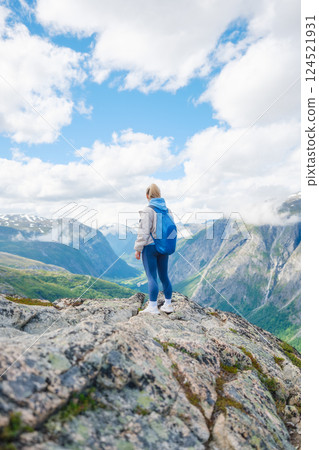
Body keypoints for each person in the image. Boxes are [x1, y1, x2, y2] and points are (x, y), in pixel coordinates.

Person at [134, 184, 174, 314]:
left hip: (150, 247)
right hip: (164, 246)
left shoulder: (148, 210)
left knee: (151, 276)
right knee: (164, 276)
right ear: (159, 195)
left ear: (147, 196)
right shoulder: (168, 210)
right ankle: (168, 304)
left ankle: (152, 307)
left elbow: (144, 232)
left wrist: (138, 248)